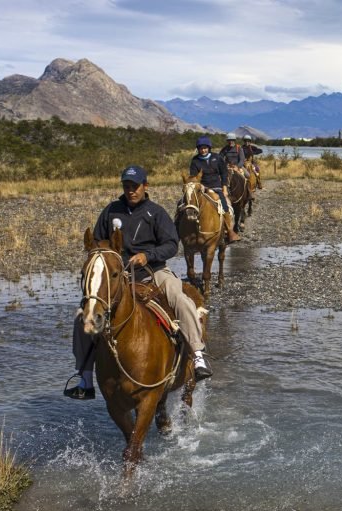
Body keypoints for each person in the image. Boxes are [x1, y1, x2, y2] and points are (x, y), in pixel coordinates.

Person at [68, 165, 212, 400]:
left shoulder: (155, 213)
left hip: (153, 271)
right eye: (127, 186)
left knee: (179, 298)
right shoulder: (111, 211)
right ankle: (84, 377)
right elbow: (97, 242)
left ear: (145, 186)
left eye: (135, 186)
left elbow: (171, 244)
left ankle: (196, 353)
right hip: (119, 275)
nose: (131, 190)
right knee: (84, 314)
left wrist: (148, 255)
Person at [187, 135, 241, 243]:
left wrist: (224, 188)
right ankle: (178, 228)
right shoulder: (195, 160)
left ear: (209, 148)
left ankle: (229, 231)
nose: (203, 150)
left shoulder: (217, 157)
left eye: (205, 148)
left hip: (217, 187)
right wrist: (201, 187)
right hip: (202, 188)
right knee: (185, 203)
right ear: (198, 149)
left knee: (226, 206)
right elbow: (193, 177)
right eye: (201, 148)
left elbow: (224, 173)